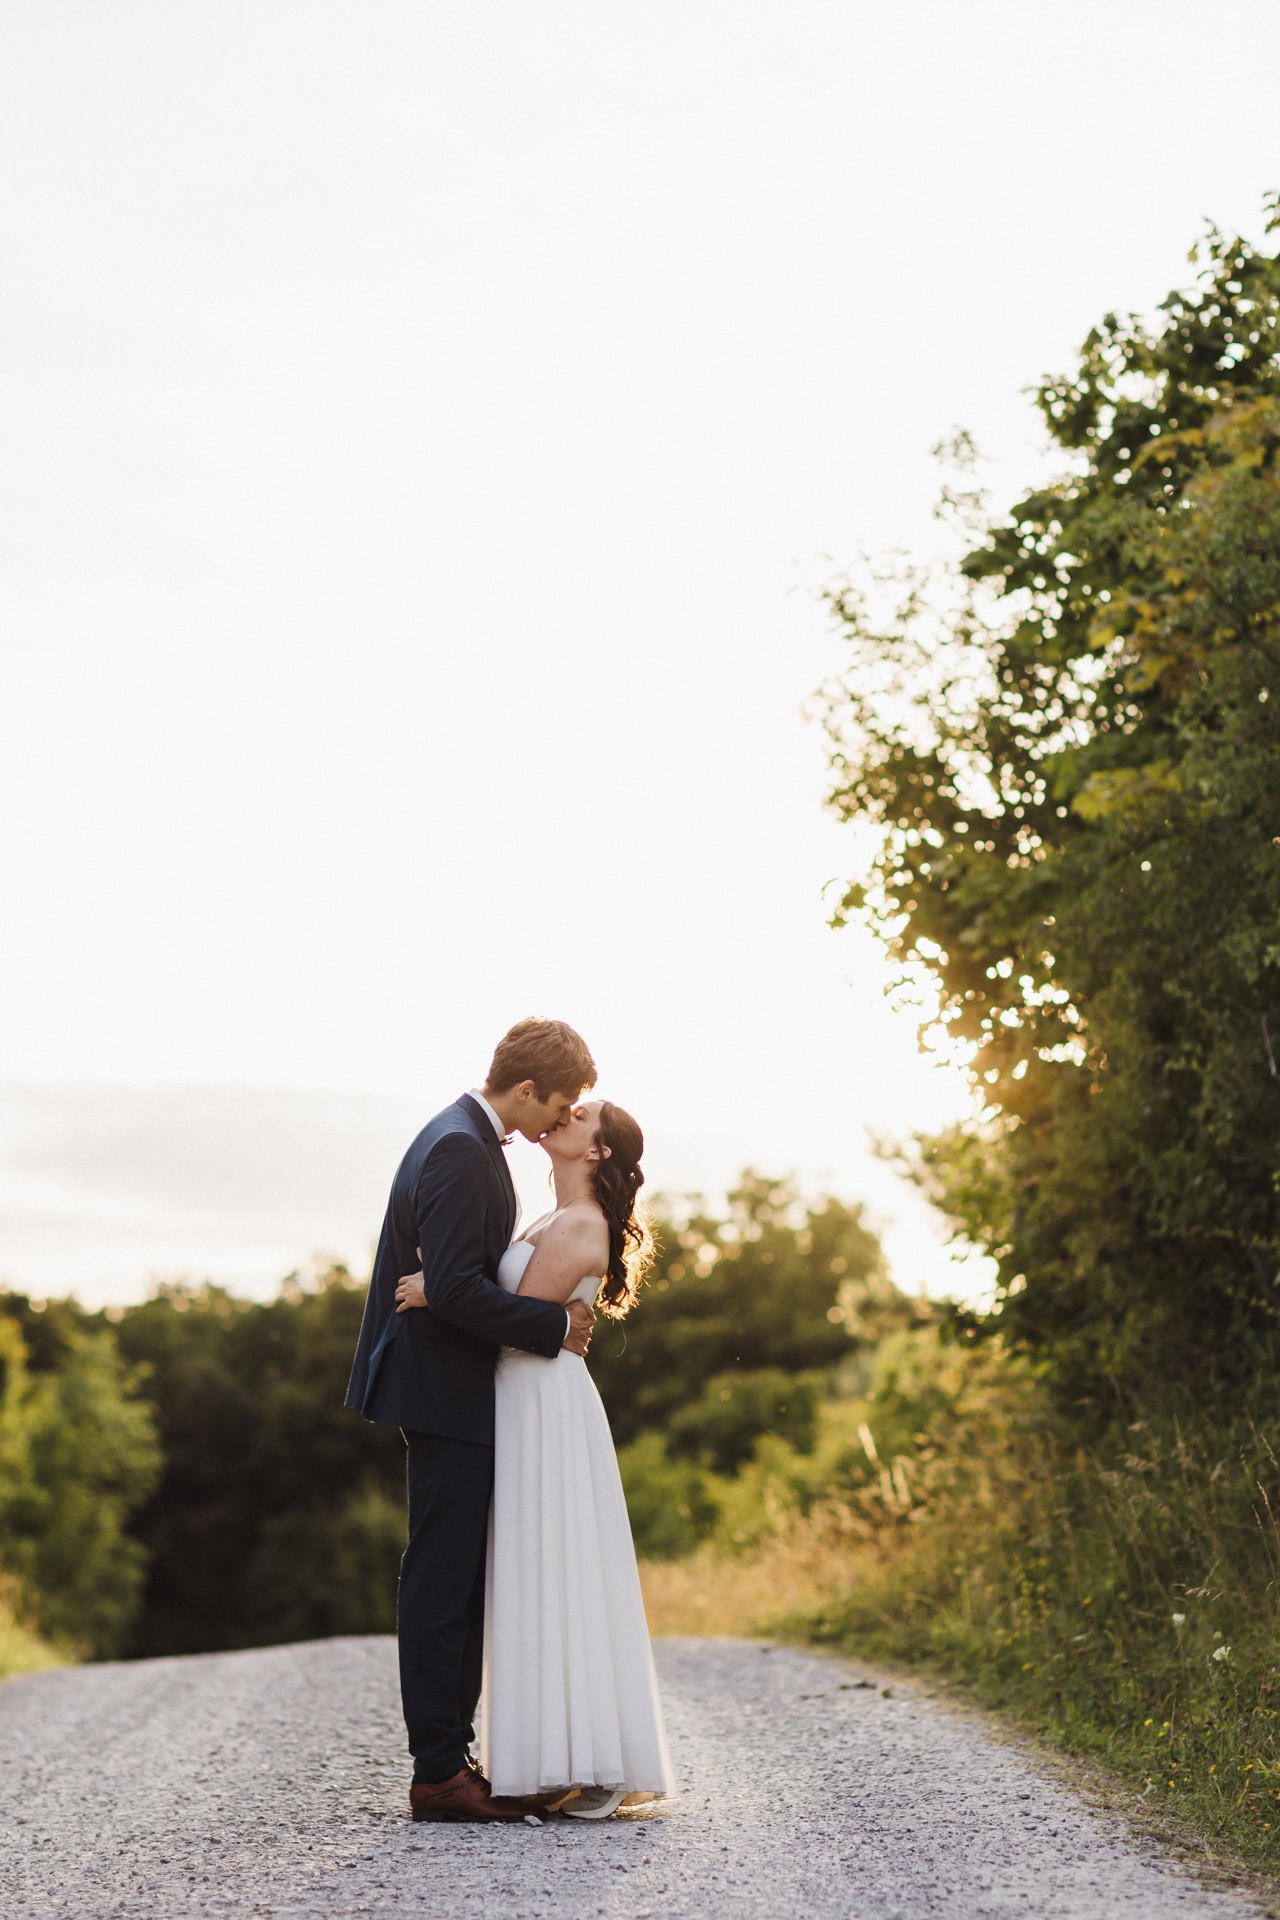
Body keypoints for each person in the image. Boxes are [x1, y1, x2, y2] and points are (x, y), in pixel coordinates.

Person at [344, 1017, 598, 1824]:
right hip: (443, 1388)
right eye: (557, 1103)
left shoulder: (461, 1137)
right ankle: (438, 1773)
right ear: (526, 1089)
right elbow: (455, 1288)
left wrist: (449, 1287)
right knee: (442, 1581)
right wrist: (555, 1326)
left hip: (451, 1386)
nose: (559, 1118)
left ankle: (452, 1759)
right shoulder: (460, 1148)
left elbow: (452, 1281)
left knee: (456, 1578)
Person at [395, 1096, 674, 1820]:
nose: (566, 1114)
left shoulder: (581, 1225)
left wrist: (438, 1291)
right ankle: (546, 1753)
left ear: (599, 1151)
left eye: (583, 1115)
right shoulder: (553, 1217)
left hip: (541, 1399)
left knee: (551, 1566)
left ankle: (571, 1755)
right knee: (531, 1571)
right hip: (519, 1397)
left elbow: (510, 1321)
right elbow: (518, 1309)